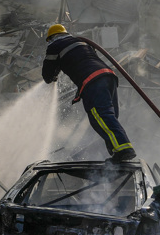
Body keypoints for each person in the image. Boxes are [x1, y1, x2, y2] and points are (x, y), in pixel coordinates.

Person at [40, 23, 135, 162]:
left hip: (92, 81)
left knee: (101, 116)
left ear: (52, 37)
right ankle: (117, 152)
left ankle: (124, 149)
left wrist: (53, 76)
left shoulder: (54, 46)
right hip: (108, 76)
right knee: (109, 116)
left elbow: (47, 75)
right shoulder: (81, 42)